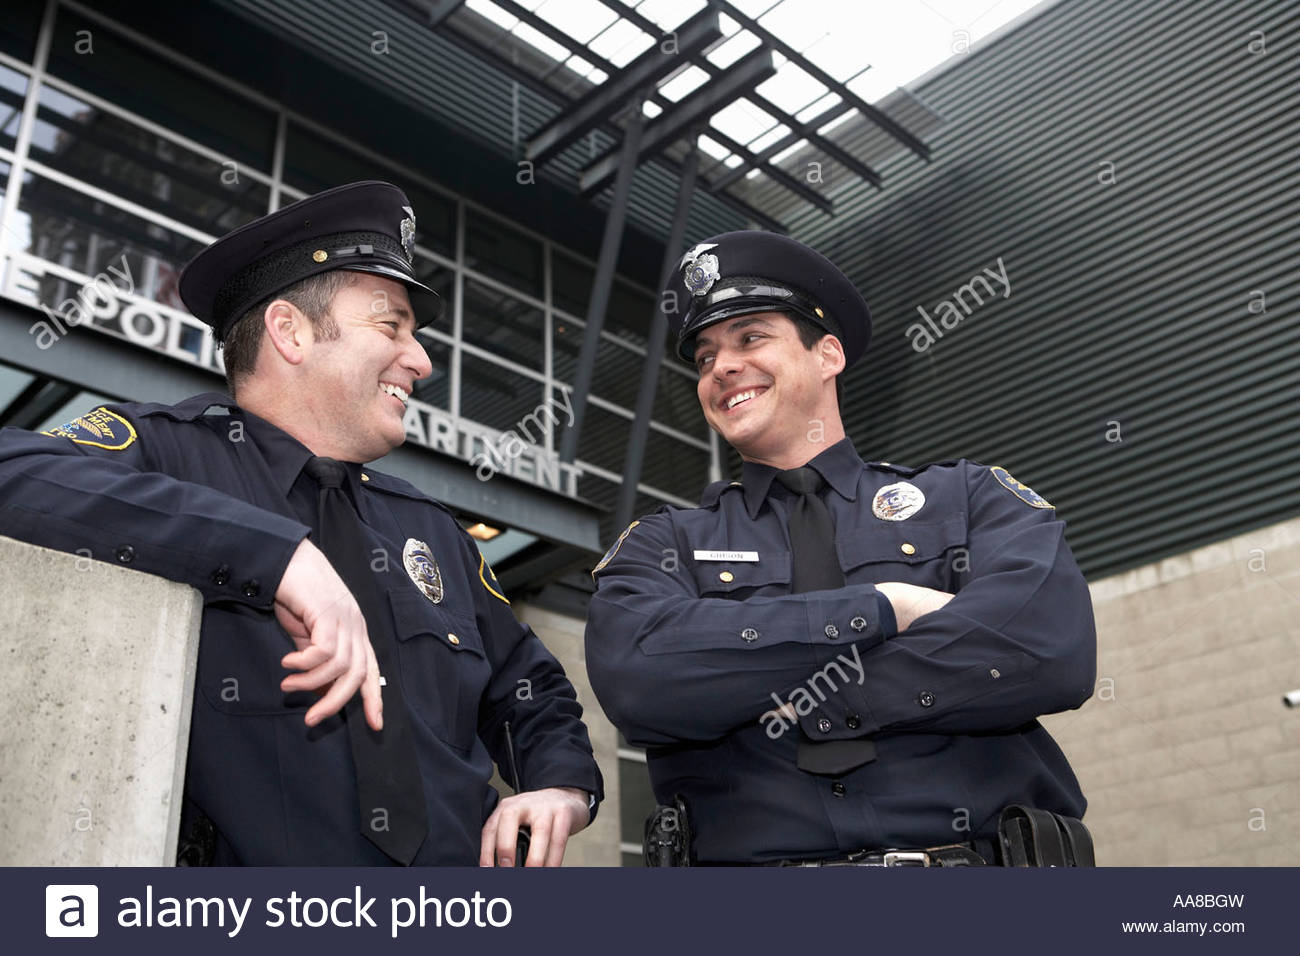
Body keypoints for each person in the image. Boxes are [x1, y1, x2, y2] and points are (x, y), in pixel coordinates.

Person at [0, 181, 601, 866]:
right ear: (291, 331)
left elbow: (529, 682)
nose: (423, 361)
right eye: (391, 326)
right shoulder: (171, 455)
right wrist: (276, 555)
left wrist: (563, 784)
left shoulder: (430, 530)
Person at [585, 231, 1095, 866]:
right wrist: (883, 609)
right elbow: (641, 679)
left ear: (827, 354)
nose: (721, 367)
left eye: (749, 338)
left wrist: (822, 695)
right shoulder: (666, 544)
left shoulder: (967, 499)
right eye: (704, 357)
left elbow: (1045, 647)